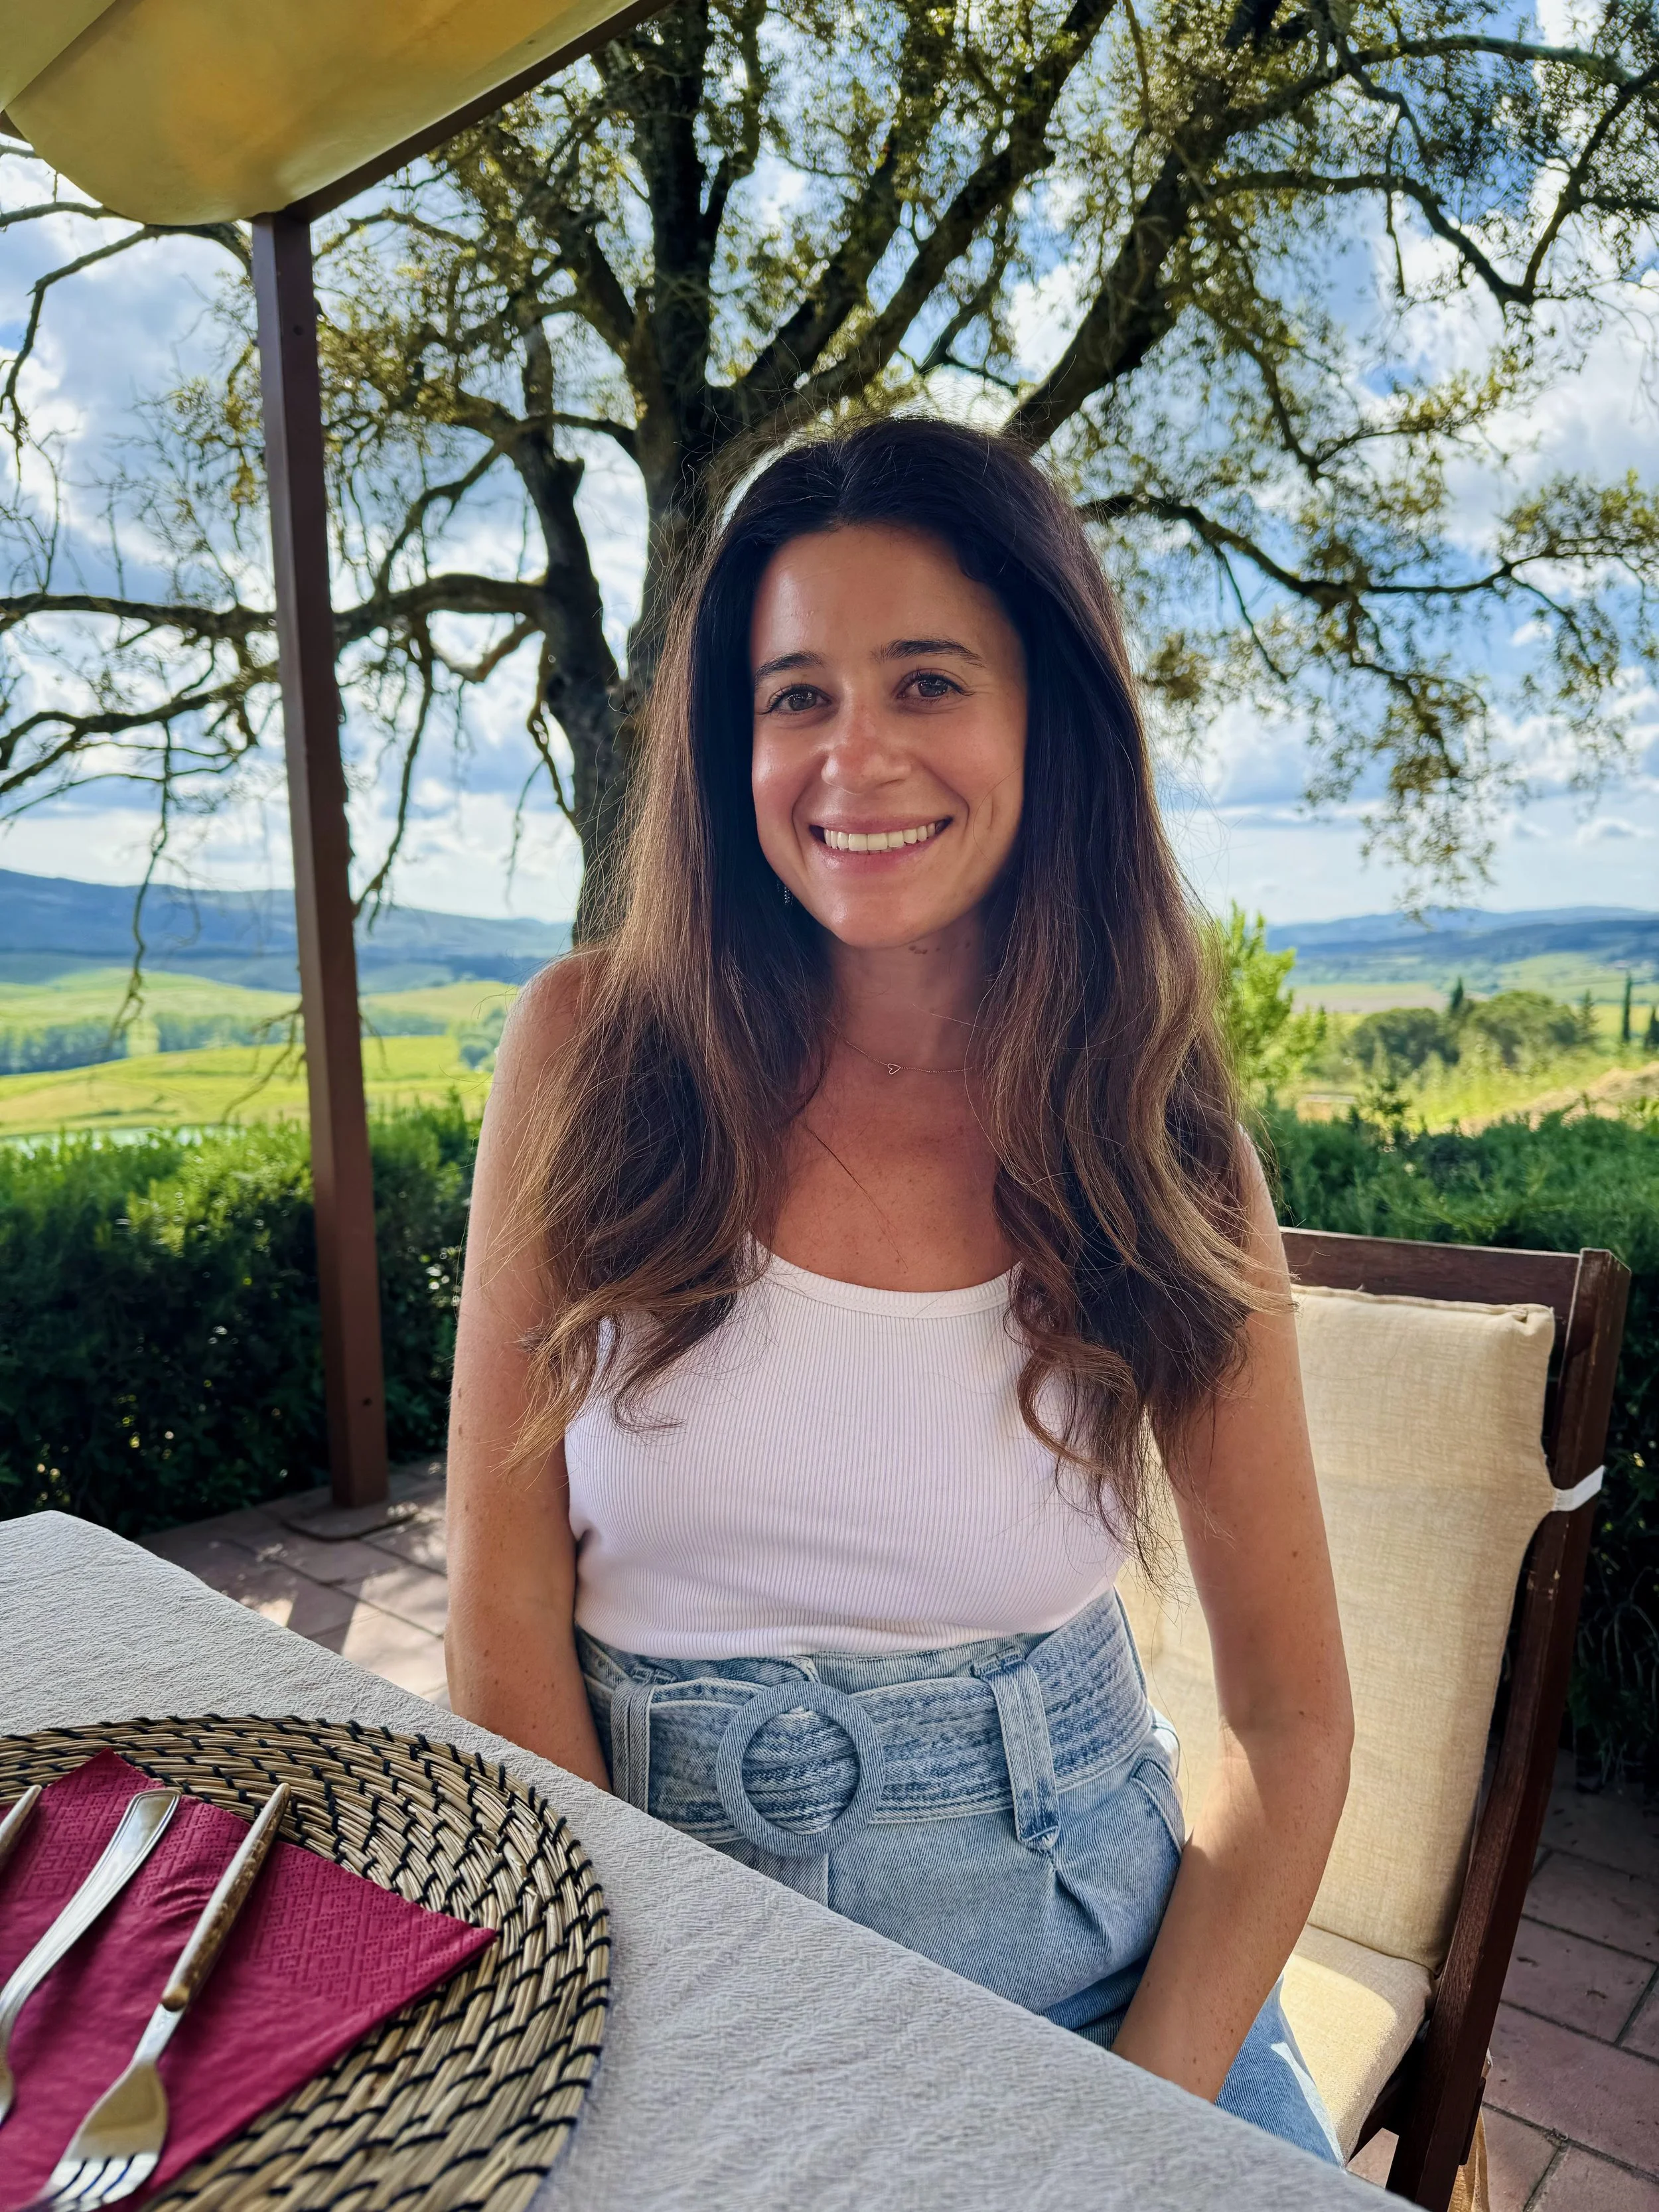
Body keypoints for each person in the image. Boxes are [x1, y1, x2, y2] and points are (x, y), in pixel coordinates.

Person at [446, 415, 1353, 2163]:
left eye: (926, 681)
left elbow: (1291, 1719)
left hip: (1093, 1982)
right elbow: (499, 1606)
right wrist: (640, 2020)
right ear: (733, 742)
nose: (851, 755)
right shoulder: (586, 1057)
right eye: (795, 696)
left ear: (1044, 722)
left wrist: (1116, 2128)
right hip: (661, 1951)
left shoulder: (1153, 1138)